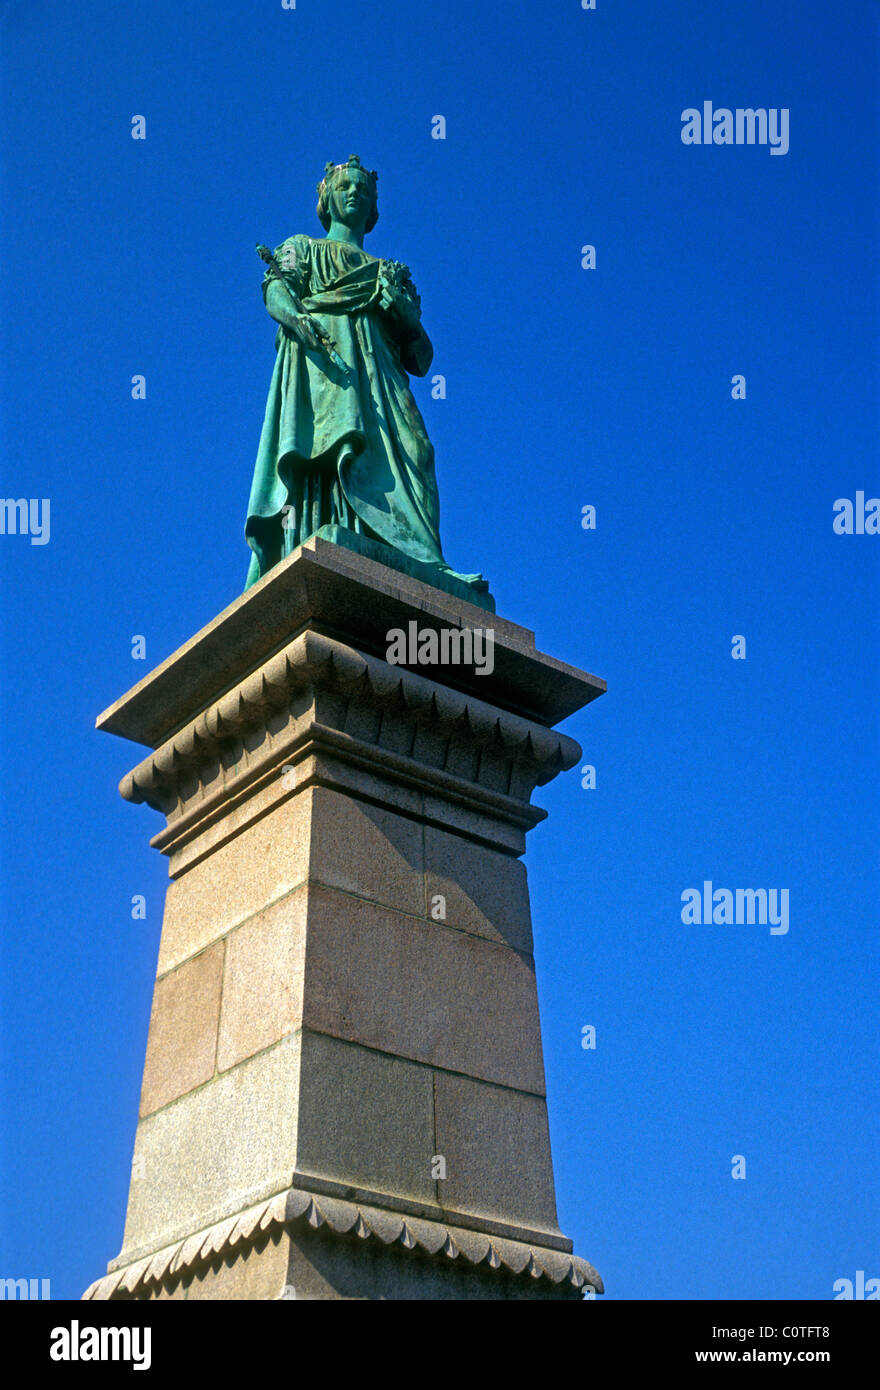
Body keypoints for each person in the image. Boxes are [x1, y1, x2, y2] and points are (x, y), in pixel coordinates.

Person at [244, 155, 487, 598]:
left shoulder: (392, 272)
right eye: (345, 186)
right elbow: (275, 290)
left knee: (419, 450)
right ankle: (334, 531)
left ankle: (424, 559)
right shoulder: (305, 248)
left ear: (374, 206)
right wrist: (297, 319)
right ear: (327, 198)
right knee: (335, 444)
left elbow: (422, 358)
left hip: (383, 378)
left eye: (363, 188)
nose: (354, 192)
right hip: (328, 366)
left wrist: (408, 319)